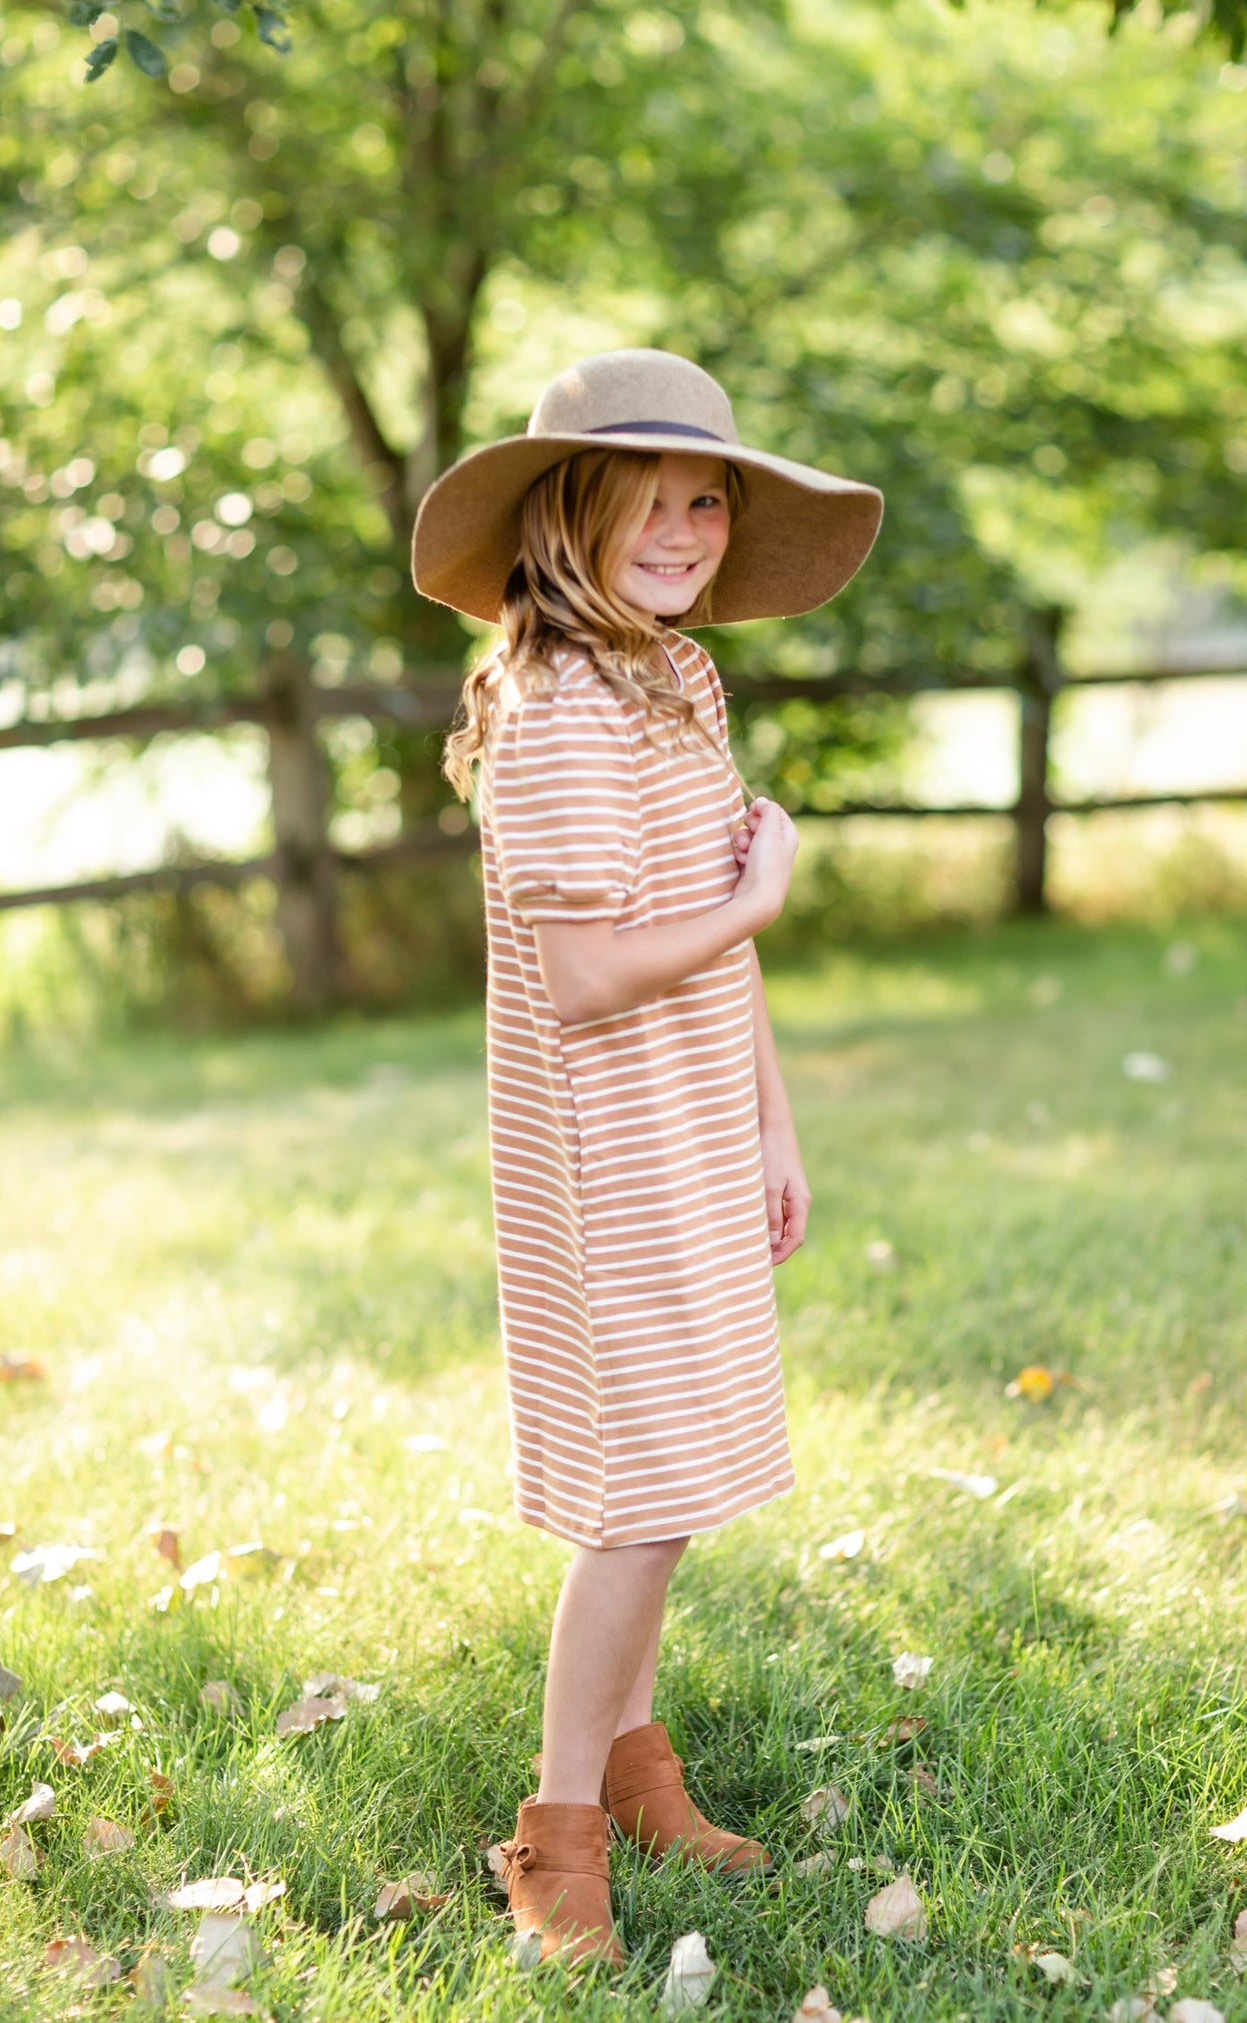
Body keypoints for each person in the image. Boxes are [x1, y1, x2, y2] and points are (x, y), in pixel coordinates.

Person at [412, 348, 882, 1966]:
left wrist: (770, 1115)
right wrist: (762, 897)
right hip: (606, 1149)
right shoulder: (552, 712)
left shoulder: (674, 678)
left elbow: (707, 939)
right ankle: (555, 1843)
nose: (685, 529)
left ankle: (635, 1768)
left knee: (674, 1478)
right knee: (641, 1494)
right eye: (651, 499)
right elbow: (595, 973)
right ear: (569, 512)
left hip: (692, 1124)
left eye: (707, 500)